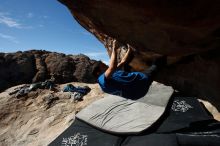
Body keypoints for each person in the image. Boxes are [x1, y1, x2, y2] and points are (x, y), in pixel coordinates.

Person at [94, 40, 165, 99]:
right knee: (157, 63)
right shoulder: (101, 80)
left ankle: (131, 55)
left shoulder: (107, 78)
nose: (106, 65)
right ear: (98, 72)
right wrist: (114, 48)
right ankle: (166, 56)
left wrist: (129, 50)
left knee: (126, 64)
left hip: (134, 94)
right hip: (141, 83)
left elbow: (123, 62)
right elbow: (112, 67)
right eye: (103, 66)